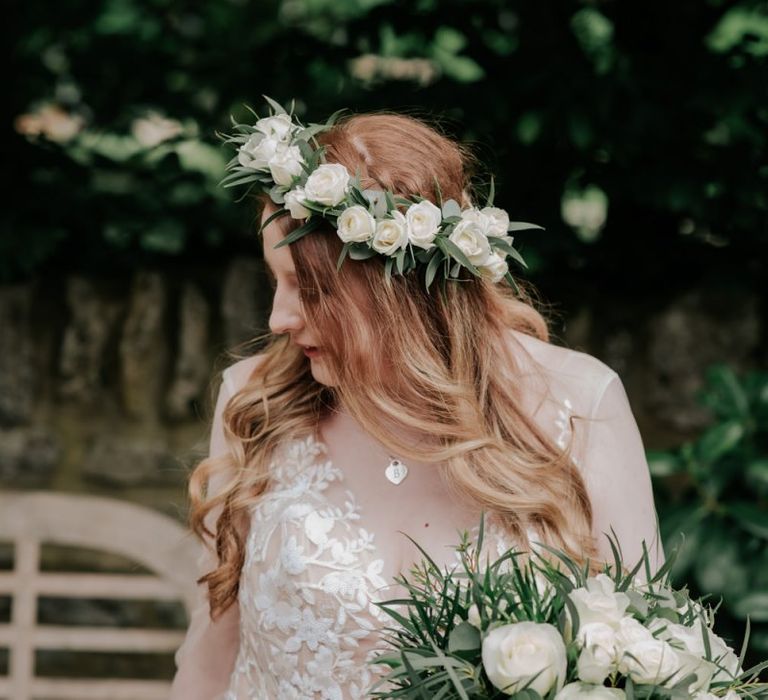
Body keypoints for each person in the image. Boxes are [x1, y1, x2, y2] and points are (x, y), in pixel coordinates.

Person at [169, 101, 665, 699]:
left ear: (400, 292)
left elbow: (640, 654)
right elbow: (212, 651)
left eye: (312, 289)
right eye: (276, 281)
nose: (278, 318)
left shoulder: (579, 403)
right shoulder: (257, 402)